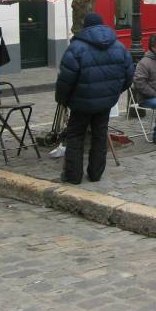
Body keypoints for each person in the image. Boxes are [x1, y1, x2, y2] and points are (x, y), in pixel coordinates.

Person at [55, 13, 133, 184]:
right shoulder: (119, 46)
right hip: (105, 102)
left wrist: (62, 99)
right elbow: (128, 76)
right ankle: (96, 173)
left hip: (80, 102)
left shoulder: (76, 48)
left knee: (75, 136)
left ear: (85, 27)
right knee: (100, 135)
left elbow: (66, 79)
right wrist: (114, 92)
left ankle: (73, 175)